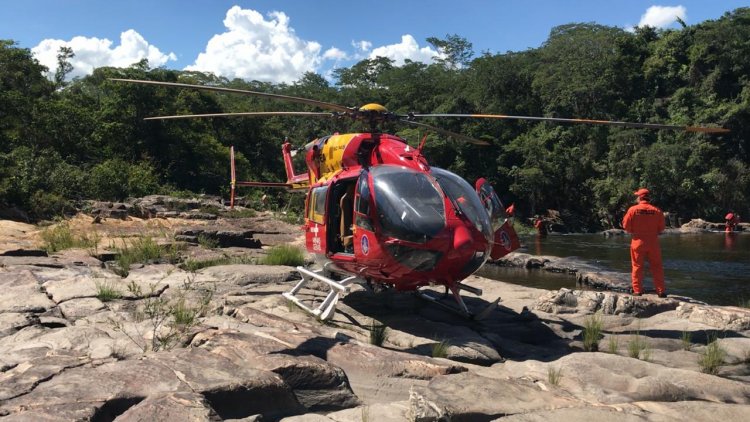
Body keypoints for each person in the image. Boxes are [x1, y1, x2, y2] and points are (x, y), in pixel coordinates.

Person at [622, 188, 666, 298]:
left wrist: (634, 231)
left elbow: (625, 226)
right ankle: (661, 291)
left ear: (640, 197)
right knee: (657, 267)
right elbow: (661, 228)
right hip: (653, 242)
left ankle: (637, 291)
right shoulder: (657, 210)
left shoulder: (633, 210)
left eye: (637, 196)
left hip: (637, 242)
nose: (636, 198)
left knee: (637, 267)